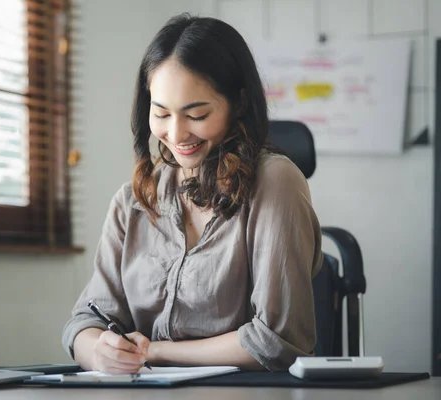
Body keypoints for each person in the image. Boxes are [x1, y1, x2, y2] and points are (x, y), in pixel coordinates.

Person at [62, 13, 323, 373]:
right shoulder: (134, 200)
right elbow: (83, 322)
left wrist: (155, 351)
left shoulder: (276, 183)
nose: (177, 133)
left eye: (197, 114)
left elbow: (277, 342)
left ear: (240, 102)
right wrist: (97, 350)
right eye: (161, 113)